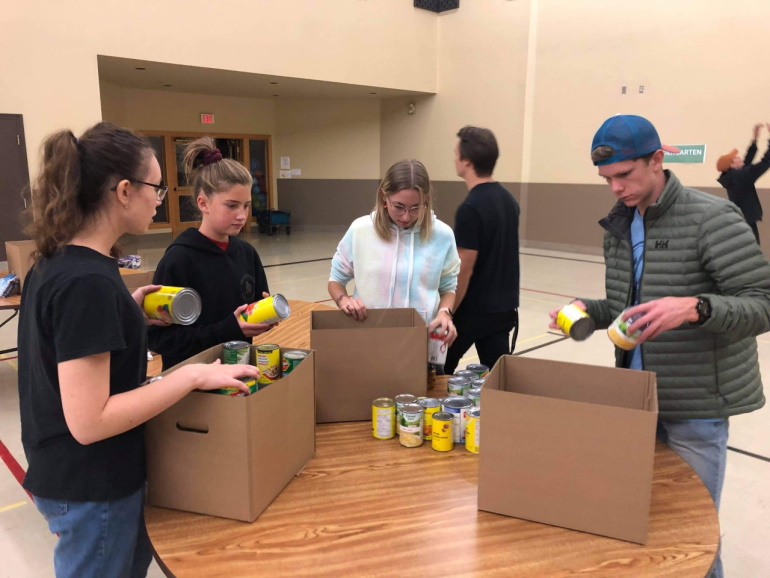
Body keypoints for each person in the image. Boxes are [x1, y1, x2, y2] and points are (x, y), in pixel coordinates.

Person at [17, 122, 259, 578]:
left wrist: (127, 314)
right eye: (156, 188)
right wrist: (190, 375)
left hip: (79, 474)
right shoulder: (87, 283)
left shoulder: (60, 262)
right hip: (93, 485)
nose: (160, 200)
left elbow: (63, 347)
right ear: (125, 191)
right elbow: (90, 422)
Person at [548, 114, 770, 578]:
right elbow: (624, 308)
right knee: (645, 527)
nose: (616, 188)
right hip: (638, 402)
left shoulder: (712, 219)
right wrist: (587, 310)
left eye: (624, 174)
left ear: (656, 160)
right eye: (607, 179)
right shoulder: (619, 225)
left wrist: (696, 308)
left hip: (696, 410)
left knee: (692, 538)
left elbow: (762, 304)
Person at [148, 137, 274, 371]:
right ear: (203, 203)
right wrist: (228, 329)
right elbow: (159, 339)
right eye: (231, 205)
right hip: (190, 383)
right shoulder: (179, 259)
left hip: (237, 375)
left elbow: (251, 313)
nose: (241, 215)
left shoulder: (247, 254)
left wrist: (264, 316)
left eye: (246, 205)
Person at [328, 159, 460, 351]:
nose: (406, 216)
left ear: (426, 201)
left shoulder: (442, 235)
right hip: (368, 337)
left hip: (420, 340)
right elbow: (336, 280)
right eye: (398, 206)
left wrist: (444, 313)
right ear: (384, 197)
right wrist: (343, 300)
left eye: (416, 207)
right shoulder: (360, 230)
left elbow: (448, 286)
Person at [443, 126, 520, 375]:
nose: (454, 158)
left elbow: (464, 269)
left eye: (455, 153)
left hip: (473, 311)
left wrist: (448, 312)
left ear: (466, 161)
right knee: (499, 377)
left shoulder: (471, 208)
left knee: (436, 370)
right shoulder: (509, 200)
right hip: (503, 310)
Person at [716, 122, 770, 244]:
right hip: (747, 220)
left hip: (741, 218)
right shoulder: (741, 176)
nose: (739, 157)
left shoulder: (732, 176)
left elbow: (747, 161)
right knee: (752, 249)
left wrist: (755, 139)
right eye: (735, 158)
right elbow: (766, 161)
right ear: (732, 165)